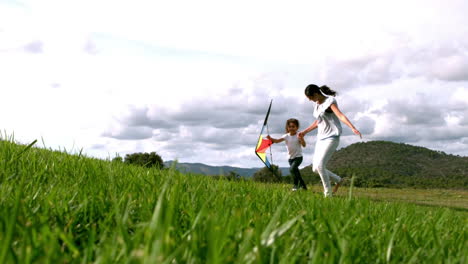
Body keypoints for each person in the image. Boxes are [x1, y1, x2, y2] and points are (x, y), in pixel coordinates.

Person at [298, 84, 361, 197]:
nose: (310, 100)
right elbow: (318, 121)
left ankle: (328, 194)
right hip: (321, 138)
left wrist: (352, 127)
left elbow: (340, 115)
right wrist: (305, 131)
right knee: (315, 169)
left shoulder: (330, 101)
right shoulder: (316, 104)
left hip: (332, 137)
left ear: (316, 94)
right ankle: (338, 180)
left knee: (321, 165)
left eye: (311, 97)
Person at [267, 118, 308, 191]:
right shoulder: (286, 136)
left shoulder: (299, 135)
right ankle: (303, 187)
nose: (291, 128)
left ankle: (295, 185)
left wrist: (301, 139)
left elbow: (304, 145)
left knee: (292, 169)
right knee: (296, 173)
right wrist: (270, 138)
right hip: (290, 158)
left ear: (297, 127)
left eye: (293, 126)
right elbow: (277, 141)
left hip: (298, 157)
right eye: (290, 127)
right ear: (287, 128)